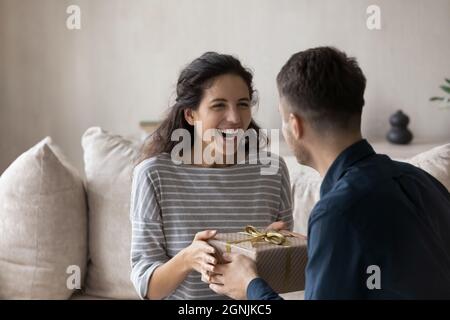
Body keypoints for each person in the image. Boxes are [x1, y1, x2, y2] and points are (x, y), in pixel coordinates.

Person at [207, 46, 450, 299]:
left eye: (282, 119)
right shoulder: (422, 181)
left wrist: (250, 285)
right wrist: (317, 247)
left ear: (295, 125)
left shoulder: (336, 212)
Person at [129, 52, 293, 300]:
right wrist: (188, 258)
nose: (235, 118)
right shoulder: (153, 175)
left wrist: (268, 251)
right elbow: (148, 289)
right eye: (219, 105)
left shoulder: (272, 170)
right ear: (190, 115)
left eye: (243, 104)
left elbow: (284, 274)